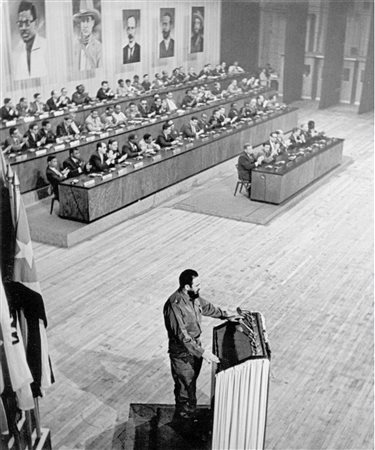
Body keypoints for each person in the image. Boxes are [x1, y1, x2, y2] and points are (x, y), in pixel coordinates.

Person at [163, 269, 232, 422]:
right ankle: (184, 421)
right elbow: (183, 337)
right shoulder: (175, 306)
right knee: (186, 390)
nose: (200, 287)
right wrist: (203, 352)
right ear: (187, 287)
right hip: (182, 355)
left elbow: (207, 308)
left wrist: (227, 315)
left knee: (191, 384)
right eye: (197, 285)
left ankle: (189, 414)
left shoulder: (193, 297)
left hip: (194, 350)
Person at [13, 1, 47, 80]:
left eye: (27, 22)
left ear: (36, 23)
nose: (23, 28)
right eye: (20, 24)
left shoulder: (47, 47)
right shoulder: (15, 52)